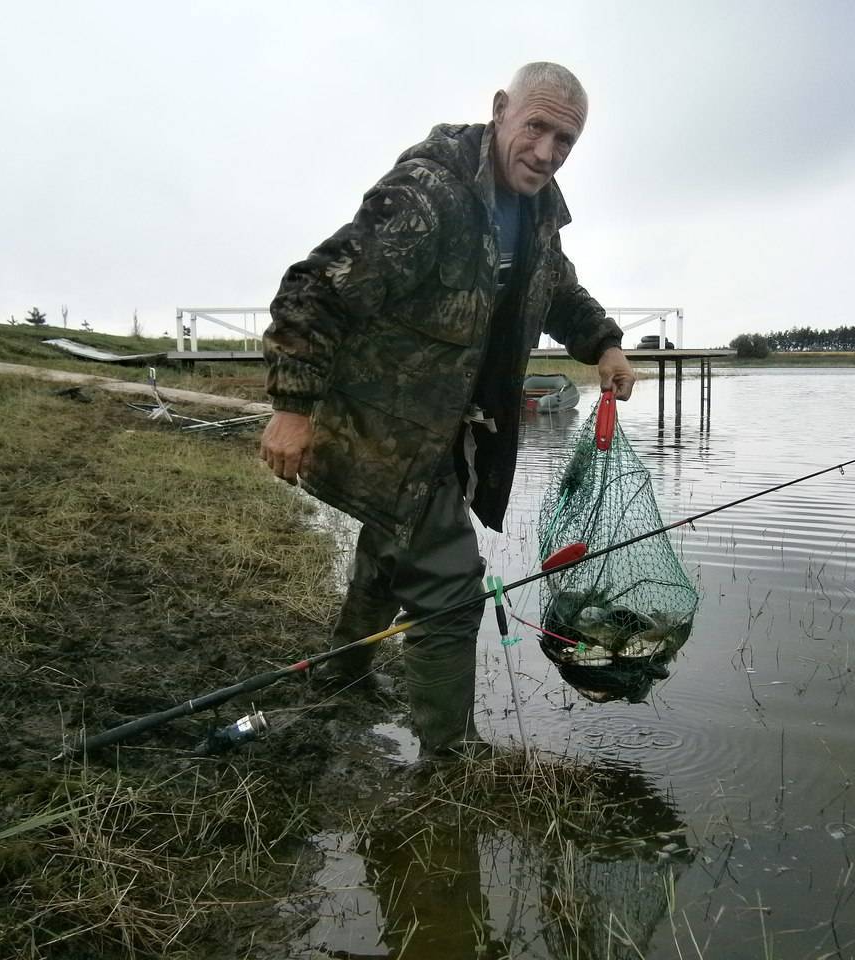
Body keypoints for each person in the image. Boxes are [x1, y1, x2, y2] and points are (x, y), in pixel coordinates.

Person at [259, 61, 636, 759]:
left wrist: (604, 345)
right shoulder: (429, 194)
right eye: (537, 128)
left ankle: (342, 679)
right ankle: (451, 754)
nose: (547, 153)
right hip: (384, 421)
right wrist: (293, 407)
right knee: (451, 586)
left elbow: (555, 288)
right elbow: (314, 290)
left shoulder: (537, 210)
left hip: (447, 427)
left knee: (390, 542)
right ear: (500, 110)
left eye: (565, 141)